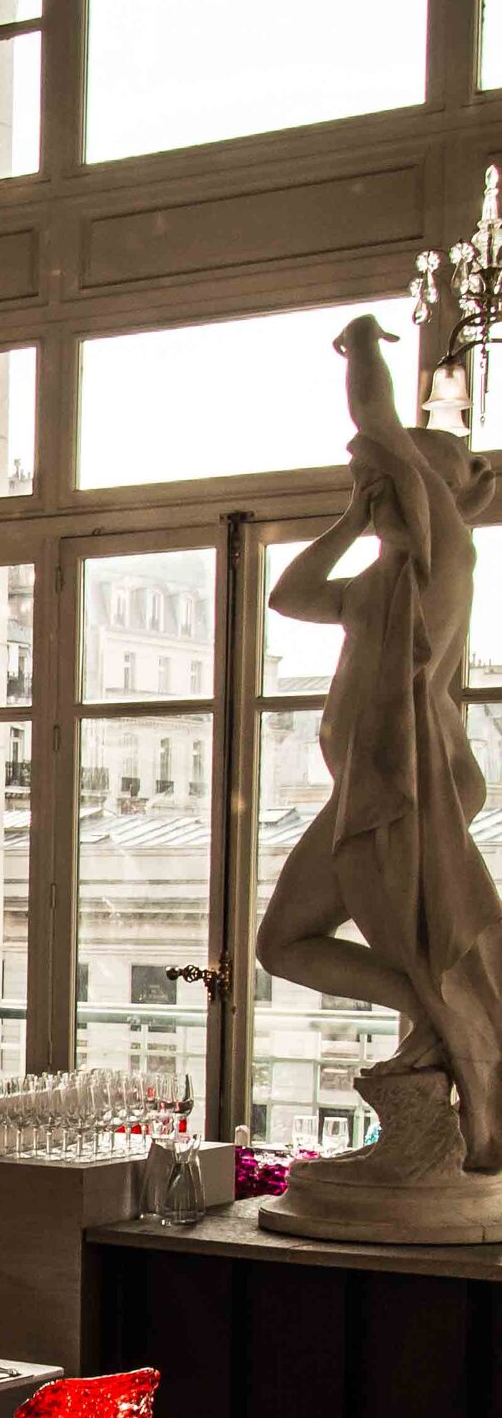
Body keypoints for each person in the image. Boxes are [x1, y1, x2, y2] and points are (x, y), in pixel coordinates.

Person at [257, 315, 502, 1165]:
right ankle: (438, 1016)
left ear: (424, 492)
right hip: (368, 787)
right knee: (284, 943)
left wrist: (362, 347)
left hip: (407, 787)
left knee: (404, 944)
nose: (373, 491)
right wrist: (347, 520)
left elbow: (378, 421)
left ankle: (457, 1043)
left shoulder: (445, 558)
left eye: (382, 483)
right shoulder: (376, 581)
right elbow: (288, 596)